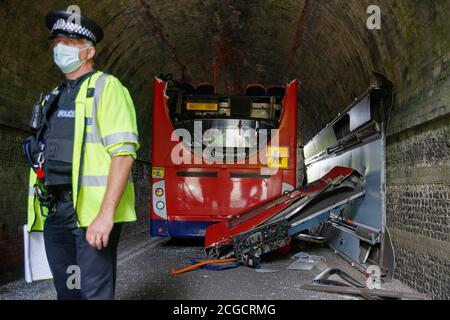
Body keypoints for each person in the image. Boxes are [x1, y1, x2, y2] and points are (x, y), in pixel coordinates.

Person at [24, 10, 140, 300]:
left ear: (89, 51)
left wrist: (105, 215)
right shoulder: (52, 96)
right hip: (55, 212)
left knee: (93, 293)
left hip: (90, 213)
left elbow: (123, 154)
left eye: (70, 41)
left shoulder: (107, 88)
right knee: (69, 292)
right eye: (57, 41)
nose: (60, 47)